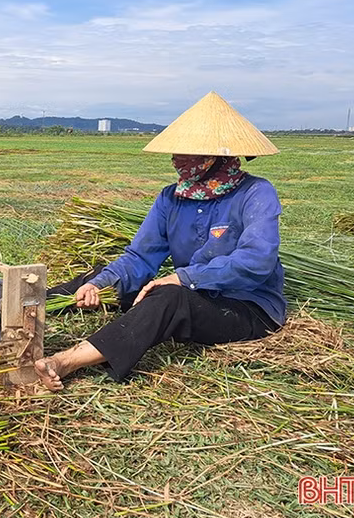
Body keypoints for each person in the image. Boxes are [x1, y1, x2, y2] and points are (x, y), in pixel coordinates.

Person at [35, 92, 285, 390]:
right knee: (101, 275)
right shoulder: (172, 197)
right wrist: (100, 284)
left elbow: (257, 261)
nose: (176, 159)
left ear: (212, 157)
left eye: (186, 152)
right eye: (176, 151)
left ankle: (66, 361)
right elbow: (140, 257)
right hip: (191, 294)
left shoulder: (256, 193)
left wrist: (183, 279)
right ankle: (18, 310)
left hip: (245, 307)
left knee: (168, 298)